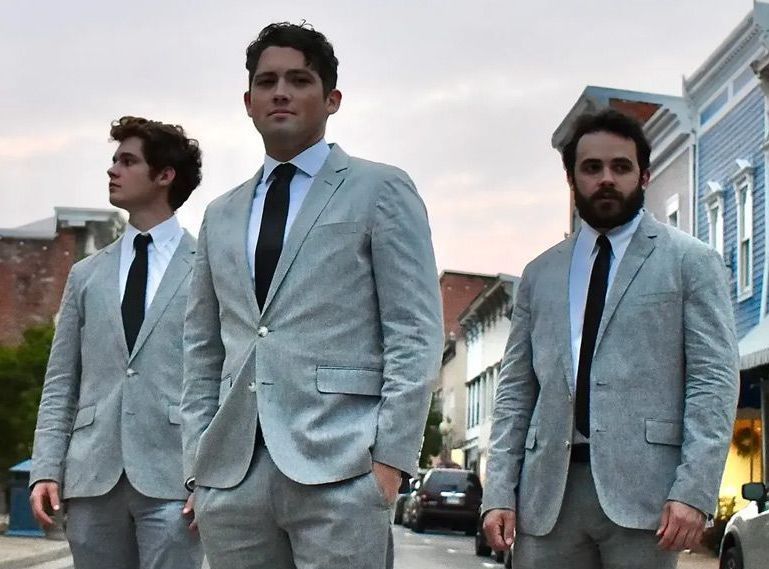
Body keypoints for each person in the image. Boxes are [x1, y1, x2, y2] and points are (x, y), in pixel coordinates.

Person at [181, 22, 443, 569]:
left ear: (331, 99)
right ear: (248, 102)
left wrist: (389, 462)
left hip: (342, 468)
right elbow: (202, 349)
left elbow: (415, 331)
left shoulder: (381, 189)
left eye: (299, 80)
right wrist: (196, 465)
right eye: (267, 80)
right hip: (232, 476)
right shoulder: (219, 214)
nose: (281, 91)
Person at [482, 108, 739, 569]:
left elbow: (713, 382)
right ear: (571, 178)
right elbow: (516, 392)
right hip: (547, 498)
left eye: (621, 167)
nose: (606, 179)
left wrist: (693, 490)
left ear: (644, 175)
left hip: (648, 501)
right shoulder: (540, 274)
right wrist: (499, 490)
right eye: (592, 167)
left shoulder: (691, 263)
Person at [30, 116, 203, 569]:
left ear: (165, 176)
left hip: (176, 478)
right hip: (92, 477)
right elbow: (61, 379)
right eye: (114, 159)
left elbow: (224, 375)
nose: (113, 170)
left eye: (127, 161)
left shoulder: (208, 266)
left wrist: (213, 475)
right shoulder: (86, 274)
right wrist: (46, 468)